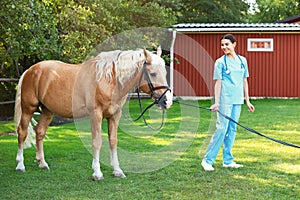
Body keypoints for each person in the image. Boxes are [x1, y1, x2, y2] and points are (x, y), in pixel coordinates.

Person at [201, 34, 255, 171]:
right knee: (222, 129)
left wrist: (247, 100)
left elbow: (244, 81)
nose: (224, 47)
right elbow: (218, 83)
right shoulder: (220, 62)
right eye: (222, 45)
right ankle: (207, 160)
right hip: (225, 99)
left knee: (232, 130)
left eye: (227, 44)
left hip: (237, 100)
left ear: (234, 44)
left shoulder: (243, 61)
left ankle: (228, 160)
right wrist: (217, 102)